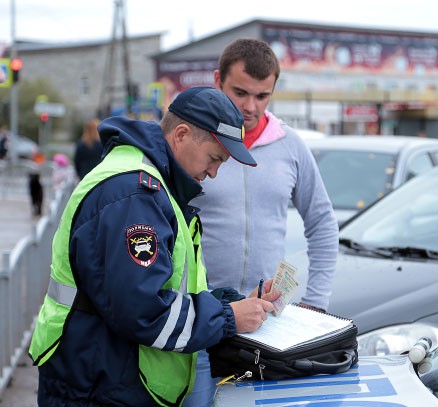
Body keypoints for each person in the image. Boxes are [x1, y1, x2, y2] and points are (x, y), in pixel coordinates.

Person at [28, 86, 279, 406]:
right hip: (96, 383)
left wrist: (236, 303)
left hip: (105, 373)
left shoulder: (152, 184)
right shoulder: (134, 195)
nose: (214, 173)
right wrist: (228, 317)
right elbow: (143, 311)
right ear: (182, 134)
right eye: (214, 158)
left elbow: (167, 286)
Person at [186, 38, 339, 406]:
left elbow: (322, 223)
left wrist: (315, 305)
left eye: (262, 96)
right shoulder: (192, 141)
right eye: (240, 92)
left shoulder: (291, 146)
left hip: (264, 322)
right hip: (198, 319)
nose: (250, 107)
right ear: (217, 79)